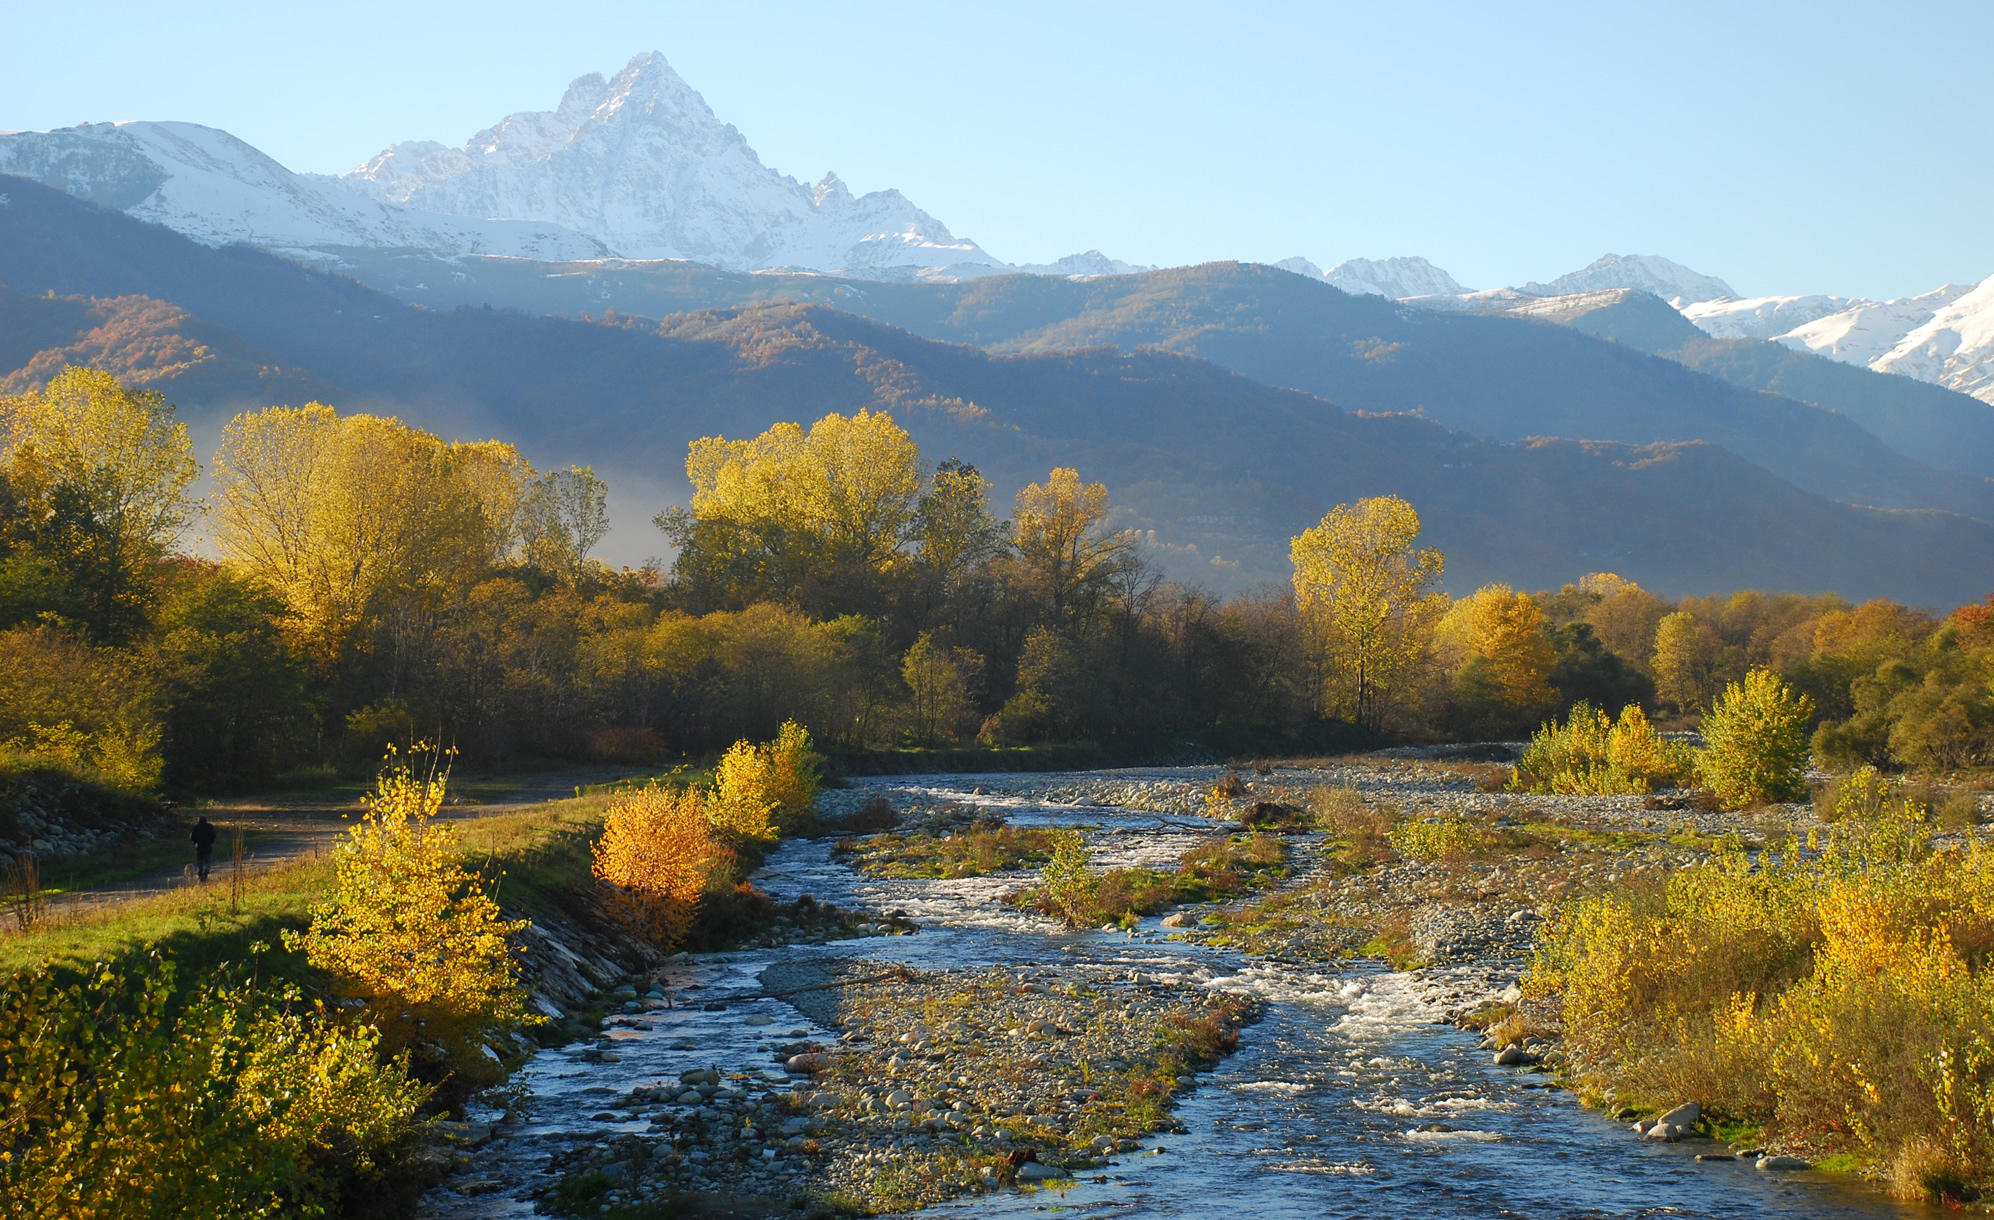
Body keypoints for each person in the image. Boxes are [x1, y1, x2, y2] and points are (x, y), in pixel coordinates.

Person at [191, 816, 218, 882]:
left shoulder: (196, 827)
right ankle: (206, 872)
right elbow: (214, 835)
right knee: (207, 861)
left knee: (200, 862)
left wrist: (195, 842)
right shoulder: (210, 826)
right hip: (208, 846)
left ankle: (200, 875)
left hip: (199, 847)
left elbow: (192, 837)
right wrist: (211, 841)